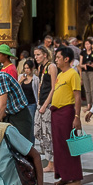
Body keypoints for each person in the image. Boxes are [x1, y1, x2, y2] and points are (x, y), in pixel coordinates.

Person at [49, 46, 84, 185]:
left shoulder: (73, 74)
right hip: (56, 113)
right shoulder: (61, 74)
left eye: (58, 57)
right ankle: (64, 175)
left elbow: (77, 97)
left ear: (66, 59)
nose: (56, 60)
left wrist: (77, 117)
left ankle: (75, 179)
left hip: (67, 113)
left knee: (70, 145)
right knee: (58, 146)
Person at [33, 45, 58, 174]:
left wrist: (45, 105)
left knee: (48, 133)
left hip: (47, 104)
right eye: (35, 55)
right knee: (38, 131)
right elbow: (40, 86)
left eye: (38, 54)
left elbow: (53, 88)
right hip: (40, 102)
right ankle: (50, 159)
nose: (36, 57)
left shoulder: (51, 67)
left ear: (45, 55)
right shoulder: (40, 67)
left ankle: (51, 163)